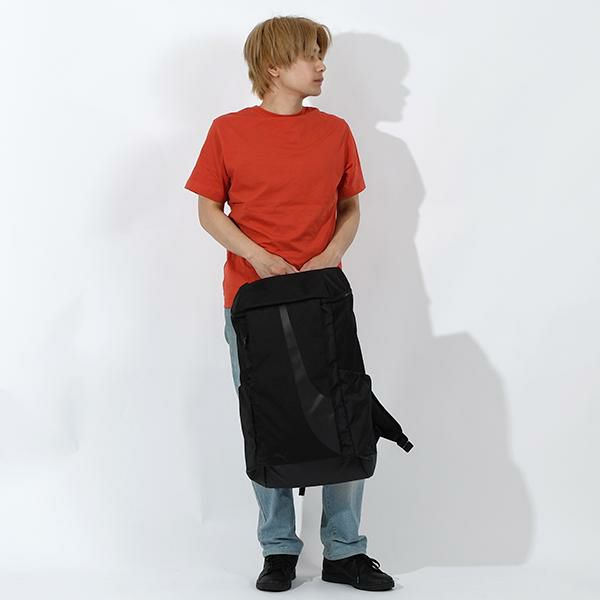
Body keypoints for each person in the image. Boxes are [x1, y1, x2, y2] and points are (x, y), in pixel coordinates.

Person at [183, 15, 395, 593]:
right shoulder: (228, 131)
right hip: (253, 300)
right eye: (311, 55)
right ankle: (278, 549)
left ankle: (345, 551)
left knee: (345, 412)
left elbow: (350, 207)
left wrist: (331, 254)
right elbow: (208, 211)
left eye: (322, 55)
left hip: (322, 296)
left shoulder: (336, 131)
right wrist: (257, 256)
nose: (322, 65)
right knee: (268, 417)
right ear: (274, 66)